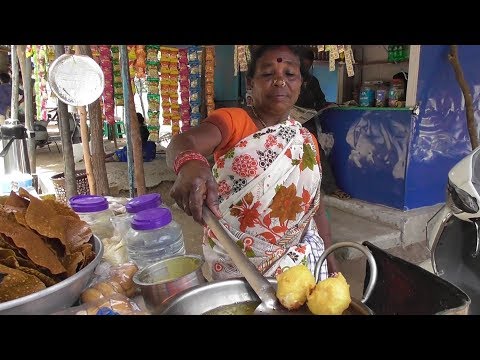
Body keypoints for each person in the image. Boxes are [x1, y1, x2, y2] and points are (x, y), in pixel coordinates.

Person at [167, 45, 338, 281]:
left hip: (297, 268)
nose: (279, 81)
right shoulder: (234, 121)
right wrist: (189, 163)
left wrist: (330, 259)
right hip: (237, 262)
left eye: (290, 74)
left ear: (302, 84)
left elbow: (315, 208)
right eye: (268, 74)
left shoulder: (305, 140)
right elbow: (184, 141)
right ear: (250, 83)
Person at [296, 48, 351, 200]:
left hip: (307, 124)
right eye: (302, 66)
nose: (305, 69)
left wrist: (325, 106)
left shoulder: (312, 81)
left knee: (316, 153)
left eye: (308, 66)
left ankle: (330, 187)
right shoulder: (287, 79)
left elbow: (320, 101)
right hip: (286, 124)